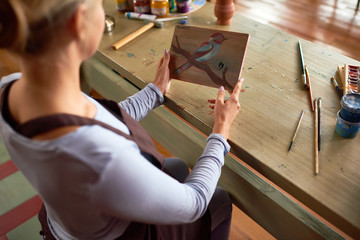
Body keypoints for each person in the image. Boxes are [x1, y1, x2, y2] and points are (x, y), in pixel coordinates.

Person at [0, 0, 244, 239]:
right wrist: (220, 131)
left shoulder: (10, 87)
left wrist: (155, 92)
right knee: (218, 200)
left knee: (177, 166)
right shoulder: (102, 159)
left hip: (65, 219)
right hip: (122, 232)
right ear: (77, 23)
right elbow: (195, 202)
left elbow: (102, 118)